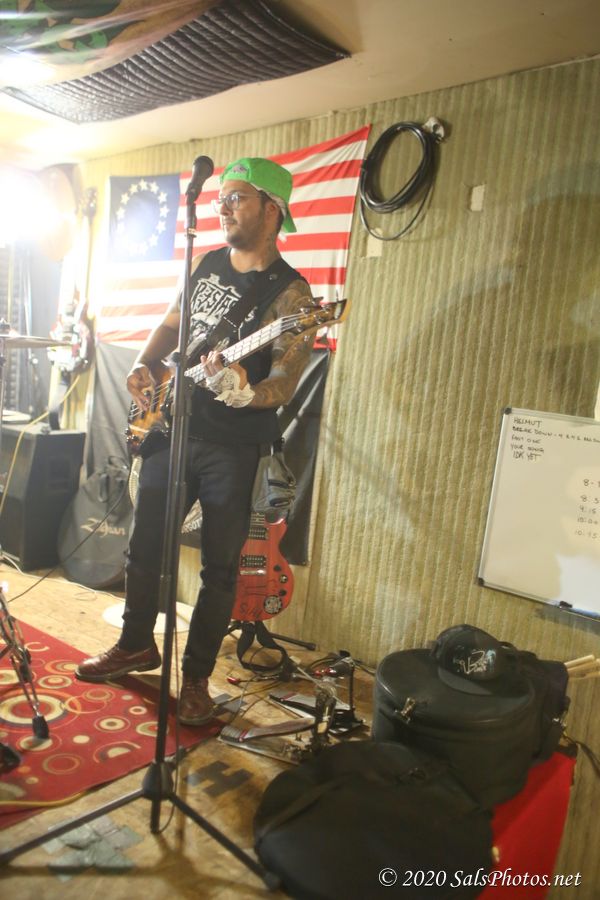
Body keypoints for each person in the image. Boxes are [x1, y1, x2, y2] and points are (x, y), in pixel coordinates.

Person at [76, 157, 315, 725]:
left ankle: (197, 680)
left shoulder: (293, 295)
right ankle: (136, 644)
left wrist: (242, 390)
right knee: (143, 547)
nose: (222, 206)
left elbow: (284, 382)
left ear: (272, 209)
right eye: (220, 198)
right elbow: (171, 322)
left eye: (236, 197)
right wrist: (145, 363)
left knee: (220, 568)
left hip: (233, 447)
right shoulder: (206, 263)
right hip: (173, 427)